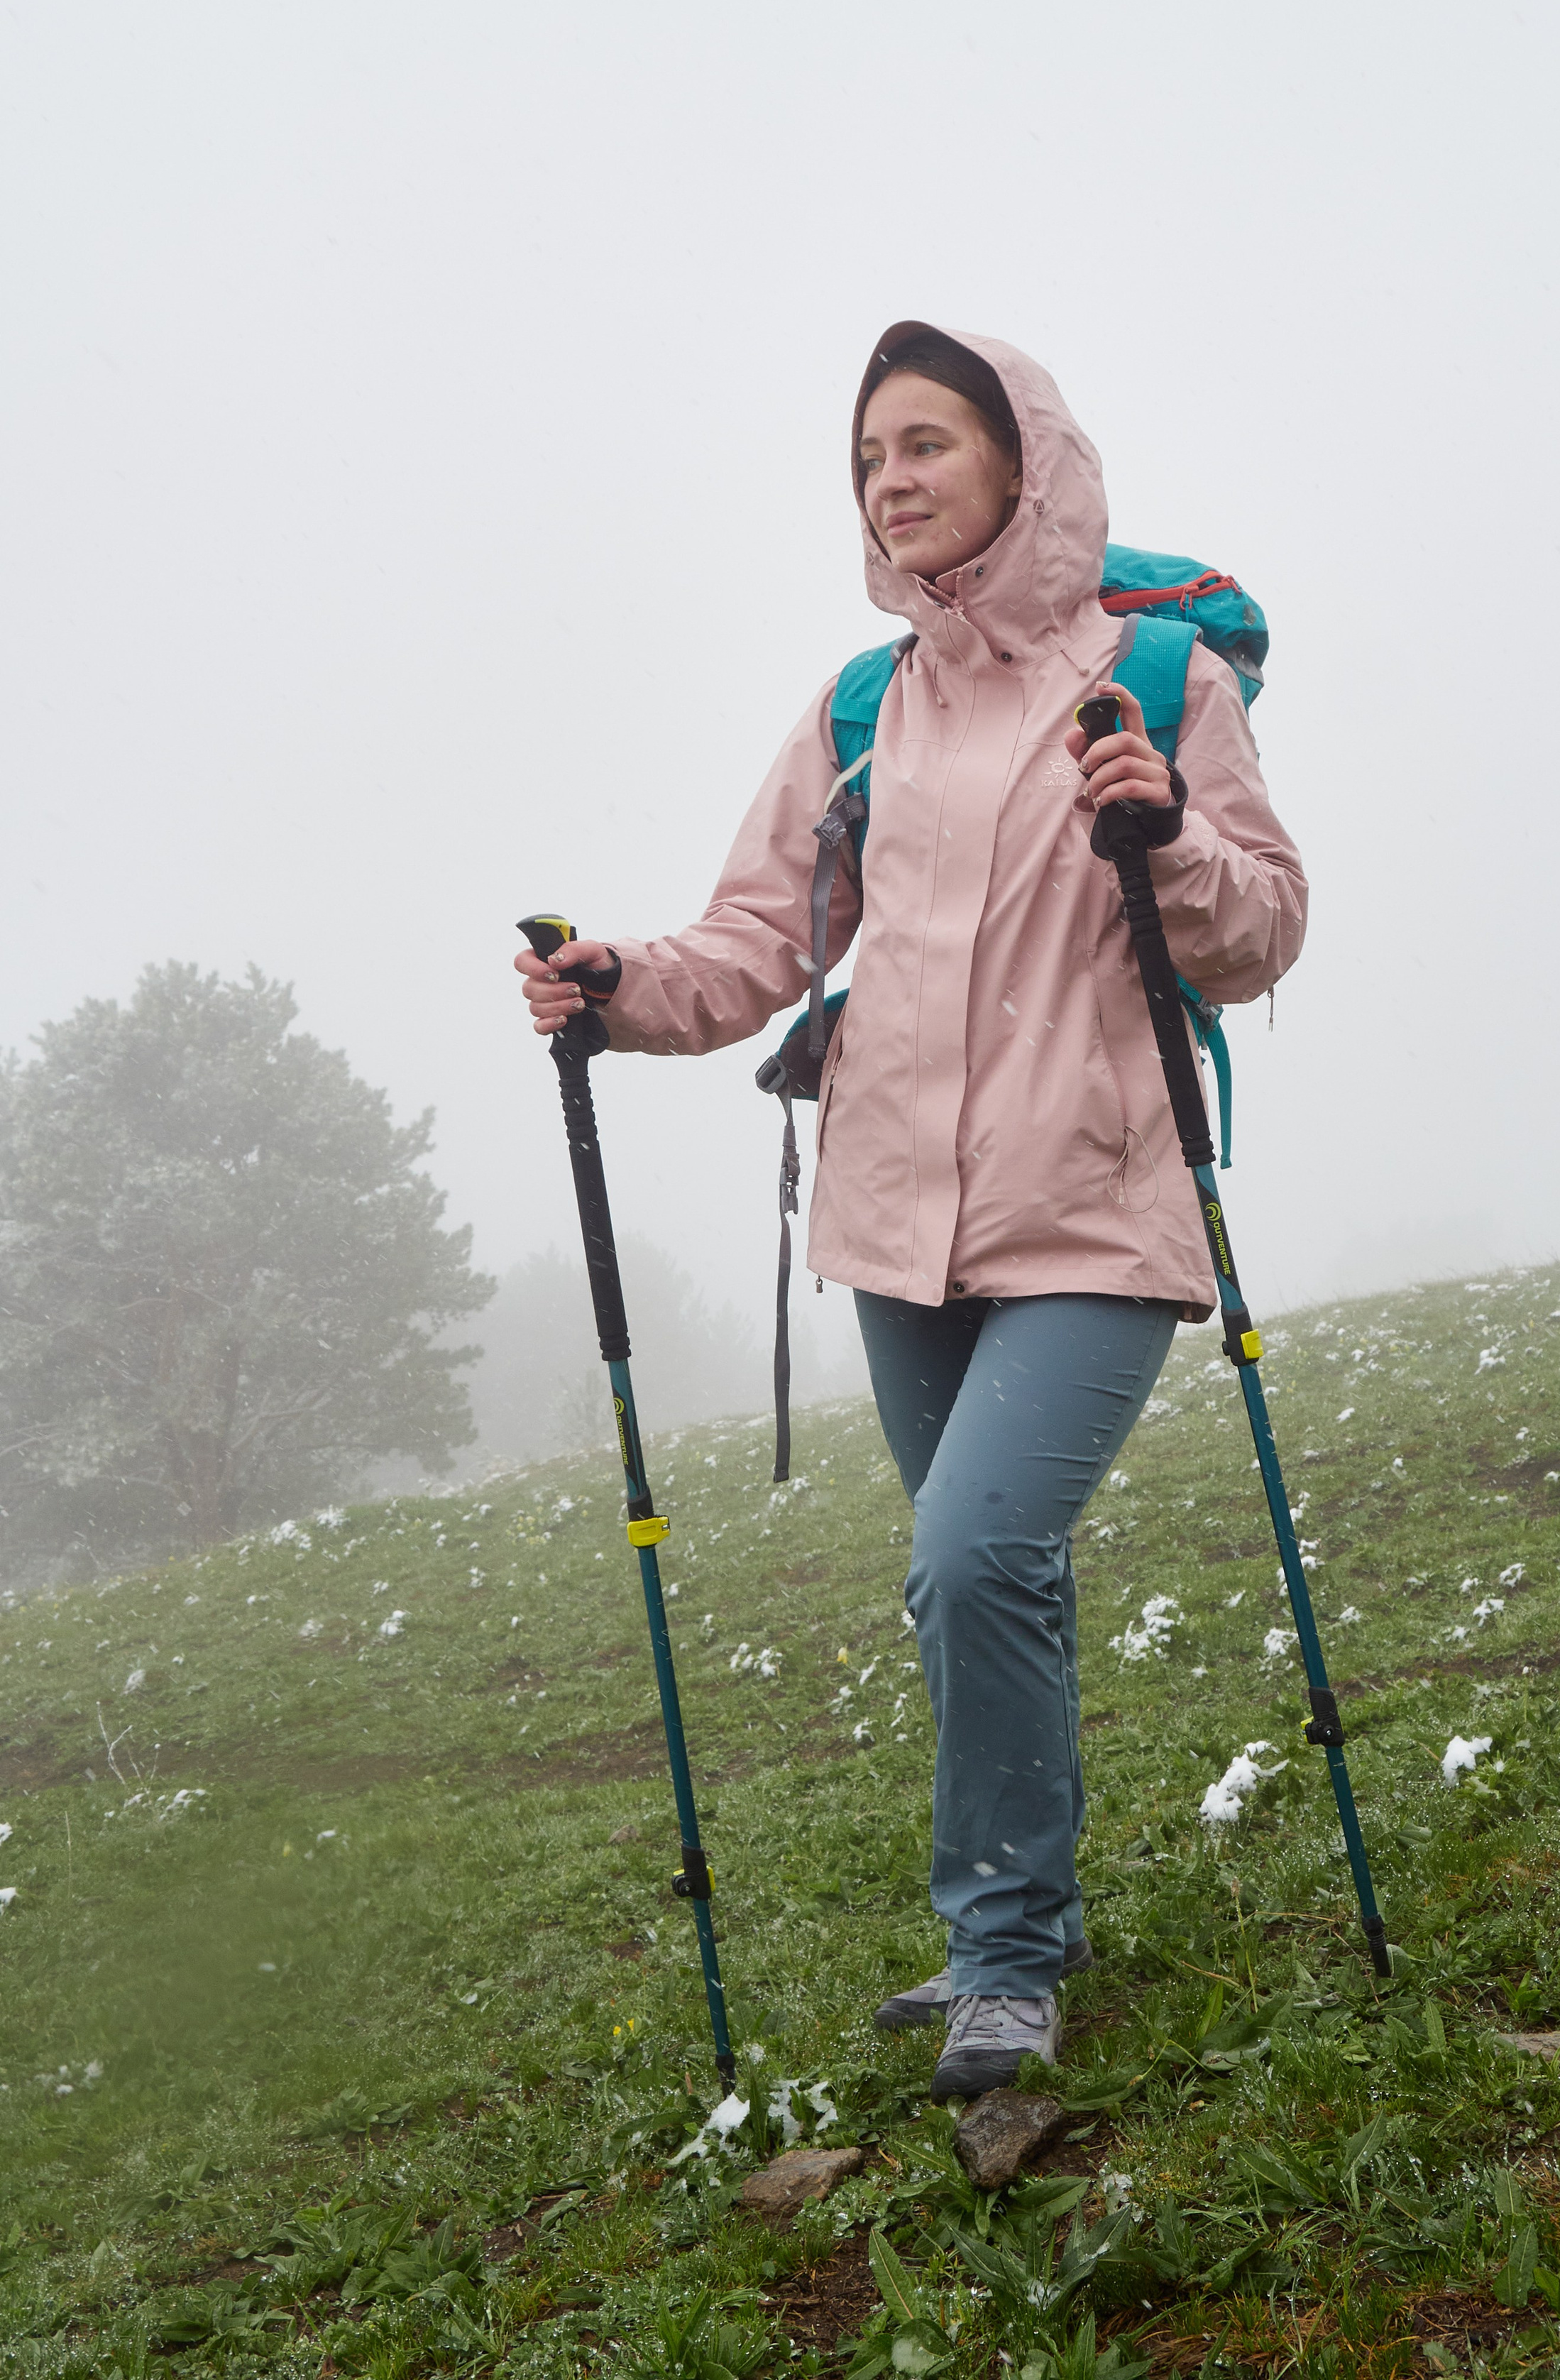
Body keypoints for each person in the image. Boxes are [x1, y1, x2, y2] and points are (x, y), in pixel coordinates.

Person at [514, 322, 1307, 2097]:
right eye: (871, 453)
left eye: (929, 441)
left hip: (1095, 1207)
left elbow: (1259, 928)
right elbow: (756, 945)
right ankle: (1017, 1923)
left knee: (972, 1556)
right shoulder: (860, 710)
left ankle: (1004, 1957)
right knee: (978, 1583)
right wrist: (617, 979)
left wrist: (1167, 834)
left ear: (1022, 460)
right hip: (891, 1221)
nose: (894, 475)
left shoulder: (1159, 677)